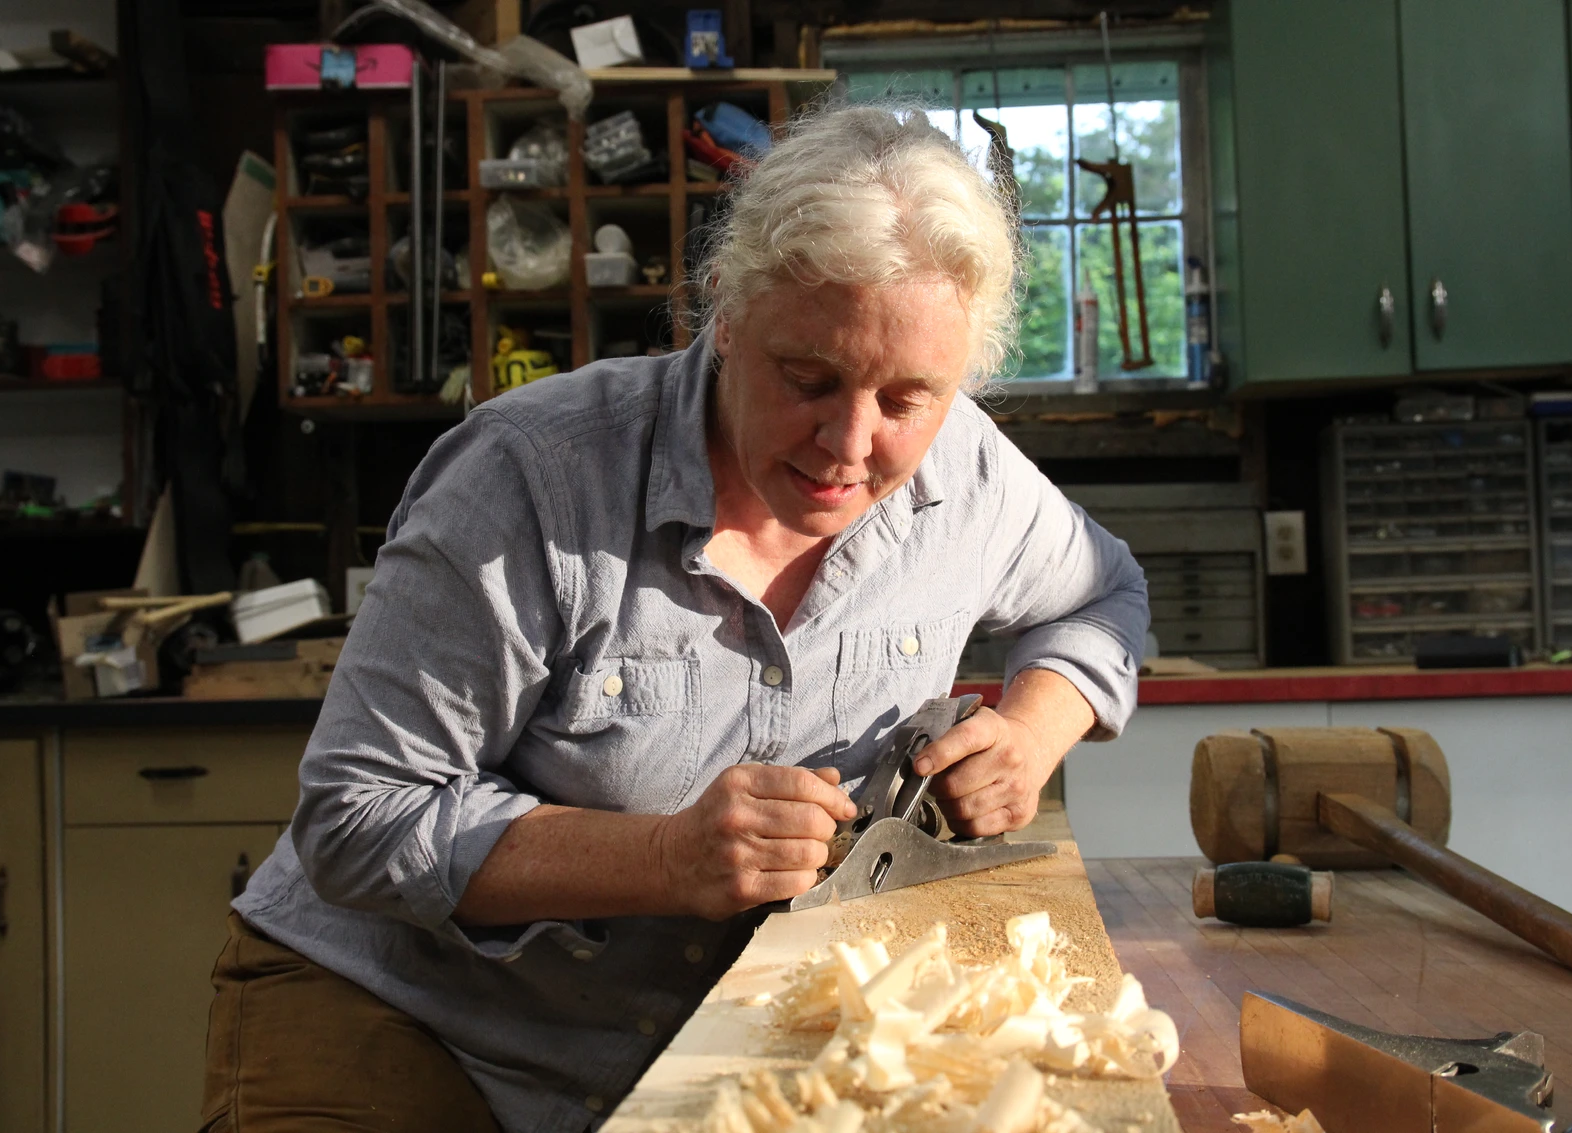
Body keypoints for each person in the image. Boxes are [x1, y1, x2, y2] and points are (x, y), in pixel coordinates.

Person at [199, 103, 1148, 1133]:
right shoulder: (533, 478)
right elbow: (357, 816)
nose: (849, 441)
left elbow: (1102, 592)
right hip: (408, 1011)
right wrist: (660, 858)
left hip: (711, 1049)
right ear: (724, 314)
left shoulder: (965, 472)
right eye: (808, 378)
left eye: (907, 396)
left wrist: (1032, 725)